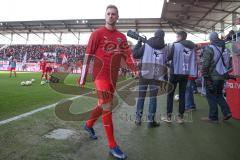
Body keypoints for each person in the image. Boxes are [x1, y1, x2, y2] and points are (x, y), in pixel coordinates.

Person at [79, 5, 137, 159]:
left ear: (117, 17)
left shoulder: (121, 37)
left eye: (114, 14)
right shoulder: (97, 34)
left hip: (113, 76)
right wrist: (83, 76)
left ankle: (88, 125)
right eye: (108, 14)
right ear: (105, 16)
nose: (111, 16)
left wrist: (134, 69)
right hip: (100, 75)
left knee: (102, 103)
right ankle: (113, 146)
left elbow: (128, 55)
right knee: (107, 106)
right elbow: (88, 54)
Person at [133, 29, 167, 128]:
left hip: (145, 74)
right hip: (156, 76)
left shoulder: (146, 44)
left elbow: (135, 54)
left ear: (155, 35)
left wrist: (139, 42)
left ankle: (138, 119)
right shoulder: (164, 48)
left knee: (141, 97)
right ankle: (151, 121)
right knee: (153, 98)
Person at [162, 31, 197, 124]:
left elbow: (168, 57)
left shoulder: (175, 45)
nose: (176, 38)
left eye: (177, 36)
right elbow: (193, 60)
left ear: (180, 37)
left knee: (170, 94)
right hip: (185, 73)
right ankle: (180, 118)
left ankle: (168, 117)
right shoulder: (192, 46)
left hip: (175, 72)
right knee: (182, 95)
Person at [201, 32, 232, 123]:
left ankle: (213, 117)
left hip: (212, 76)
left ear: (211, 39)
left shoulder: (209, 48)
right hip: (221, 75)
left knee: (211, 96)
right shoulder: (224, 48)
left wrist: (206, 77)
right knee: (219, 95)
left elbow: (205, 64)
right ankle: (227, 112)